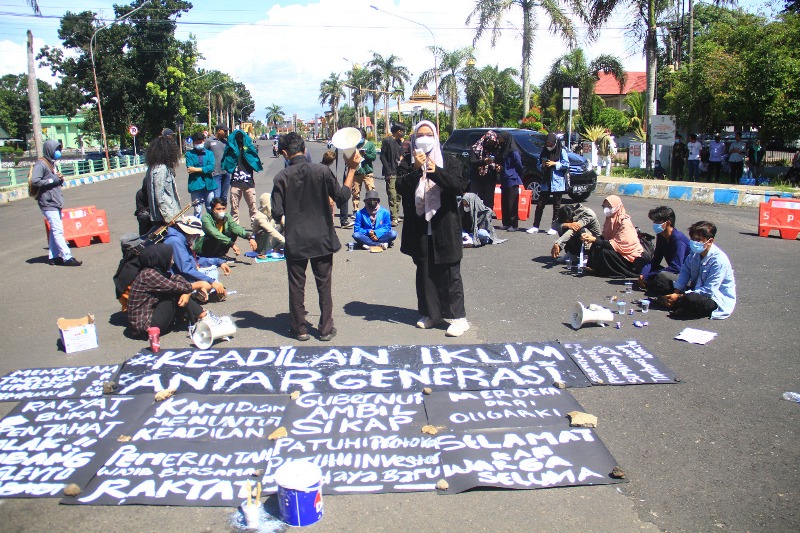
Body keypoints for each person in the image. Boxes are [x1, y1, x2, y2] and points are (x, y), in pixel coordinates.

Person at [271, 132, 361, 342]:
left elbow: (276, 213)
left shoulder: (281, 178)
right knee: (324, 285)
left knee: (296, 285)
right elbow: (341, 197)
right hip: (322, 238)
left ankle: (300, 329)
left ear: (285, 153)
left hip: (296, 239)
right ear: (304, 149)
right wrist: (352, 169)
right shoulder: (322, 171)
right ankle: (325, 329)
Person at [396, 120, 470, 337]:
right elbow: (400, 187)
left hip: (444, 225)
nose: (424, 139)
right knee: (425, 271)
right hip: (420, 227)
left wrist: (435, 171)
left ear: (436, 137)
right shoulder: (408, 162)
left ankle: (458, 318)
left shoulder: (448, 160)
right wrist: (416, 170)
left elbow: (459, 186)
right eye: (420, 135)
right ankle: (431, 314)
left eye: (429, 134)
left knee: (450, 273)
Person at [126, 243, 219, 339]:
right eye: (170, 258)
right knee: (175, 293)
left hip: (148, 320)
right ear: (160, 258)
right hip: (145, 327)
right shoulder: (149, 275)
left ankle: (201, 316)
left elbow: (177, 278)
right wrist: (199, 284)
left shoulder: (155, 271)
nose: (172, 261)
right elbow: (175, 287)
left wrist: (187, 292)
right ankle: (204, 316)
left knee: (179, 291)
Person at [659, 221, 736, 319]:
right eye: (693, 239)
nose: (694, 242)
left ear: (710, 241)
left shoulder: (719, 261)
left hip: (713, 297)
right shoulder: (694, 253)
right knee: (663, 279)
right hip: (695, 289)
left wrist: (680, 296)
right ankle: (679, 303)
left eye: (698, 240)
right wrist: (676, 292)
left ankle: (681, 305)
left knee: (692, 299)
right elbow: (685, 272)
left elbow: (709, 290)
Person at [31, 139, 82, 266]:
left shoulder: (51, 163)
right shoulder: (41, 164)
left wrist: (58, 180)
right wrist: (51, 180)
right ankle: (67, 257)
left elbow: (53, 180)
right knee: (58, 230)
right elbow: (35, 181)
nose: (58, 152)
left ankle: (53, 256)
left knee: (55, 230)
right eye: (56, 150)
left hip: (54, 201)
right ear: (49, 150)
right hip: (47, 202)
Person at [163, 216, 227, 300]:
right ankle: (197, 292)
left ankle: (202, 290)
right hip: (173, 277)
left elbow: (195, 260)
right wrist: (211, 281)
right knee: (207, 284)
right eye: (196, 235)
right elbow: (186, 269)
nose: (196, 237)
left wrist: (219, 261)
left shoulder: (181, 240)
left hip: (182, 273)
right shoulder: (175, 242)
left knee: (212, 269)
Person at [581, 195, 644, 278]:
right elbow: (605, 237)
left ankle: (607, 271)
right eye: (604, 206)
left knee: (605, 251)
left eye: (609, 206)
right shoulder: (610, 219)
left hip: (629, 255)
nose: (606, 208)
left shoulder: (624, 222)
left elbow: (619, 245)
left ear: (617, 207)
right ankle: (593, 267)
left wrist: (595, 239)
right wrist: (590, 238)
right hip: (617, 248)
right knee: (596, 244)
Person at [637, 206, 690, 296]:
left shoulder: (678, 239)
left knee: (662, 276)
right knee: (641, 263)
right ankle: (650, 282)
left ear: (668, 223)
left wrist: (649, 275)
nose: (654, 224)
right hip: (673, 271)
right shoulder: (661, 235)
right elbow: (656, 258)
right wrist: (644, 273)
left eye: (657, 222)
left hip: (684, 276)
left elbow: (676, 267)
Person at [529, 133, 568, 235]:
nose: (549, 146)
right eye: (547, 144)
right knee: (540, 205)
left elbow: (566, 164)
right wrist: (542, 165)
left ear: (555, 143)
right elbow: (538, 165)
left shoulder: (561, 151)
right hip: (546, 181)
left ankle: (554, 227)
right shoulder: (544, 151)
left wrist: (555, 164)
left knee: (556, 206)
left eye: (551, 144)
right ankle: (535, 226)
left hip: (557, 182)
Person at [222, 129, 262, 224]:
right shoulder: (231, 152)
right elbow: (226, 162)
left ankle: (255, 226)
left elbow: (255, 160)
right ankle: (235, 228)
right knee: (234, 208)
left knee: (253, 208)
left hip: (249, 183)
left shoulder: (249, 150)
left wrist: (246, 149)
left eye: (241, 138)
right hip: (236, 183)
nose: (239, 139)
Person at [145, 135, 182, 228]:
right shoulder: (161, 168)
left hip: (163, 216)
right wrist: (167, 216)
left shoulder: (152, 167)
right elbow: (159, 195)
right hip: (166, 217)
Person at [469, 130, 501, 213]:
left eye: (493, 143)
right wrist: (484, 162)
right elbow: (472, 162)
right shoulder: (476, 148)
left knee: (489, 201)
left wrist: (498, 166)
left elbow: (499, 161)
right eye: (489, 142)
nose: (491, 144)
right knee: (474, 200)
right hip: (476, 178)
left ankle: (487, 220)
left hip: (490, 179)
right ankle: (474, 220)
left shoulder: (495, 149)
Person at [380, 123, 406, 226]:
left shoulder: (399, 142)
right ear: (398, 131)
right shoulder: (387, 141)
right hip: (391, 172)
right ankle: (393, 217)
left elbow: (401, 155)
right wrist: (388, 171)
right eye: (403, 131)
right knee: (392, 194)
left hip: (399, 172)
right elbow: (382, 156)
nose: (404, 133)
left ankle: (396, 214)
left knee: (399, 194)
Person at [498, 131, 524, 231]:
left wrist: (517, 173)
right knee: (504, 202)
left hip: (512, 179)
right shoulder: (503, 149)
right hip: (504, 178)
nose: (500, 140)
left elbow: (518, 163)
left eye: (501, 138)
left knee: (512, 202)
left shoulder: (513, 150)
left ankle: (514, 224)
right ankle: (506, 222)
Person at [185, 132, 216, 216]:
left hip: (209, 184)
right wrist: (203, 169)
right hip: (195, 185)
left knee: (210, 207)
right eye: (196, 142)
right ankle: (198, 227)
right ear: (193, 142)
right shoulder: (189, 155)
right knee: (197, 209)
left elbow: (211, 168)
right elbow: (190, 169)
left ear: (204, 141)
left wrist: (196, 169)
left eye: (200, 142)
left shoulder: (210, 154)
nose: (199, 144)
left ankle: (211, 226)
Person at [352, 127, 377, 215]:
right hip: (356, 172)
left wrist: (365, 154)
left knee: (370, 190)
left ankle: (371, 208)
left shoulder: (370, 144)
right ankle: (356, 210)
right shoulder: (353, 145)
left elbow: (373, 157)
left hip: (367, 172)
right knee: (355, 192)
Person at [204, 124, 230, 202]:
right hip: (215, 173)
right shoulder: (209, 141)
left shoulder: (226, 142)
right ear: (219, 131)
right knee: (217, 197)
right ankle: (216, 213)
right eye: (225, 131)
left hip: (226, 173)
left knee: (224, 196)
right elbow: (204, 154)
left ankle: (223, 213)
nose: (226, 133)